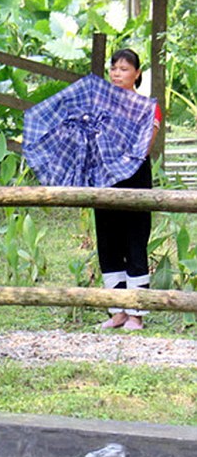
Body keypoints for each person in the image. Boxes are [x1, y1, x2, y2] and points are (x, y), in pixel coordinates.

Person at [96, 48, 161, 331]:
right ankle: (117, 311)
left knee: (135, 242)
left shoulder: (149, 107)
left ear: (136, 74)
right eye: (113, 68)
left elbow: (144, 147)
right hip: (104, 176)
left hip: (134, 176)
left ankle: (136, 313)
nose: (117, 74)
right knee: (108, 243)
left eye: (123, 69)